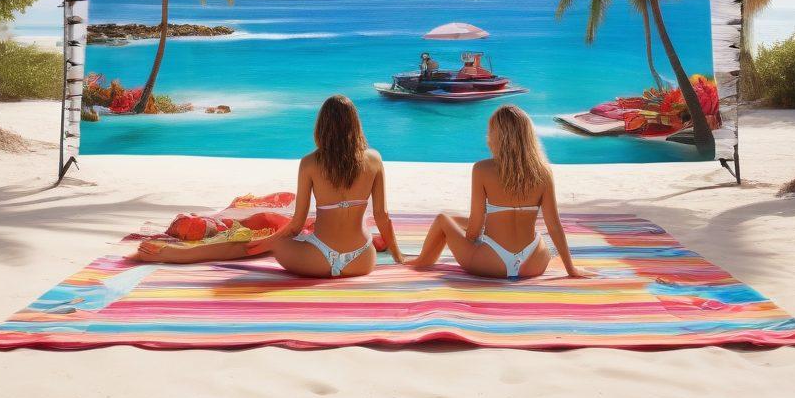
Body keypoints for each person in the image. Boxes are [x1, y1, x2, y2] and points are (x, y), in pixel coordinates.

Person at [135, 95, 405, 277]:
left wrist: (266, 242)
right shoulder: (374, 159)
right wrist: (399, 256)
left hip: (319, 259)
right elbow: (382, 217)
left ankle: (180, 255)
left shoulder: (310, 163)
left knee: (261, 245)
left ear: (322, 127)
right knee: (362, 227)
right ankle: (181, 254)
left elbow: (297, 224)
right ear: (355, 126)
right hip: (362, 260)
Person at [406, 104, 591, 280]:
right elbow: (554, 226)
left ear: (496, 135)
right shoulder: (543, 172)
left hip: (492, 262)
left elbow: (473, 231)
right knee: (528, 230)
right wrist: (570, 268)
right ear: (528, 136)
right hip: (534, 262)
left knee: (443, 220)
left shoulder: (482, 169)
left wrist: (472, 241)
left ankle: (421, 261)